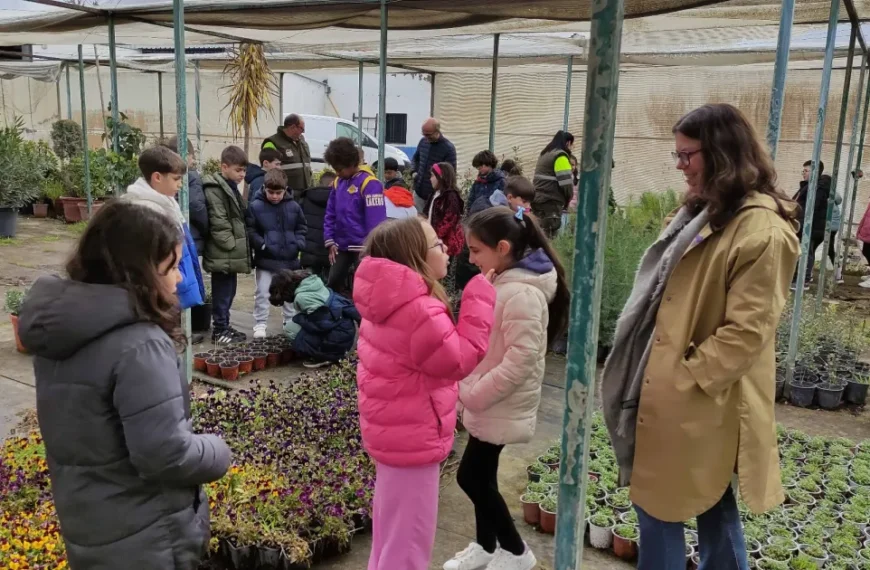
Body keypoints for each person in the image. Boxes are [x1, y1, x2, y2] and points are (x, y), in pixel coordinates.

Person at [601, 103, 800, 570]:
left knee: (660, 507)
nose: (680, 166)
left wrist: (683, 375)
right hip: (674, 387)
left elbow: (747, 332)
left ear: (722, 154)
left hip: (699, 396)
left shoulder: (762, 231)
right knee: (707, 499)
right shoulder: (709, 211)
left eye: (687, 155)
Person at [18, 200, 231, 570]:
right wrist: (217, 450)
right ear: (140, 271)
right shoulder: (140, 344)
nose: (179, 279)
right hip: (148, 536)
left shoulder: (62, 330)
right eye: (172, 267)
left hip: (90, 525)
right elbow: (165, 455)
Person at [353, 216, 497, 570]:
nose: (447, 248)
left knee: (391, 536)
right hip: (414, 439)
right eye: (436, 244)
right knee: (408, 548)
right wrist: (479, 294)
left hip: (393, 438)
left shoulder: (387, 300)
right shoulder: (417, 308)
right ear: (414, 256)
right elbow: (458, 359)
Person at [445, 206, 570, 570]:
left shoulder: (522, 294)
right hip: (488, 398)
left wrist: (474, 392)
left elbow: (522, 359)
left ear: (502, 247)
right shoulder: (503, 280)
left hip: (497, 399)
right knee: (483, 476)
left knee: (471, 477)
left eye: (476, 250)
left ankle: (517, 553)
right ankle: (487, 546)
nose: (470, 258)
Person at [122, 145, 205, 312]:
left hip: (172, 285)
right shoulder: (146, 211)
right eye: (176, 179)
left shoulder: (168, 203)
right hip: (158, 292)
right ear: (157, 177)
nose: (180, 185)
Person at [246, 168, 307, 339]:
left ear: (285, 189)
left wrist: (298, 244)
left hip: (290, 259)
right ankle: (260, 323)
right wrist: (262, 245)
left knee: (290, 291)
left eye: (278, 192)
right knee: (263, 291)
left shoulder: (294, 207)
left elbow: (301, 227)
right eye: (271, 192)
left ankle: (290, 321)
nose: (274, 196)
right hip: (266, 259)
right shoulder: (256, 206)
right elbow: (251, 229)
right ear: (264, 188)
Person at [323, 137, 387, 294]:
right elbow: (330, 214)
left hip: (363, 248)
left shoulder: (370, 184)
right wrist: (330, 240)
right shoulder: (338, 183)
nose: (337, 173)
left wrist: (371, 248)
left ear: (352, 164)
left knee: (363, 289)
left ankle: (360, 317)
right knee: (333, 282)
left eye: (340, 169)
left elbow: (376, 222)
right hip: (341, 245)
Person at [202, 145, 252, 344]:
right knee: (222, 291)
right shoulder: (215, 189)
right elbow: (219, 221)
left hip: (229, 253)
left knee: (229, 290)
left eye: (244, 170)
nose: (242, 175)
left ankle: (225, 326)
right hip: (223, 252)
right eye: (238, 170)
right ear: (224, 167)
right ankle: (220, 330)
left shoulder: (228, 187)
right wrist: (231, 244)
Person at [269, 269, 360, 368]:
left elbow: (321, 325)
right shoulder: (311, 282)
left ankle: (326, 356)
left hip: (338, 338)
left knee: (290, 328)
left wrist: (299, 319)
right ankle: (328, 351)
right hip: (346, 329)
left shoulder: (302, 297)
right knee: (297, 324)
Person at [163, 136, 209, 253]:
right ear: (186, 154)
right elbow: (196, 206)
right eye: (192, 156)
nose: (193, 160)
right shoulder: (191, 176)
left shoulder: (165, 176)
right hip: (191, 237)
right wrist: (206, 230)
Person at [792, 160, 831, 286]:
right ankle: (800, 278)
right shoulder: (808, 186)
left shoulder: (817, 188)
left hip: (812, 226)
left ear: (815, 172)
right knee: (806, 252)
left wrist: (802, 224)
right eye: (803, 170)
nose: (803, 173)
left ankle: (803, 280)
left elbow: (811, 208)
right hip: (807, 225)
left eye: (806, 171)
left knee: (806, 252)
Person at [532, 130, 575, 237]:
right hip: (551, 202)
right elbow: (566, 183)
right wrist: (569, 197)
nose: (571, 148)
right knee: (549, 234)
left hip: (537, 199)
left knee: (538, 233)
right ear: (568, 143)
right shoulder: (560, 156)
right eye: (572, 145)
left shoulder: (545, 154)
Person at [411, 118, 457, 212]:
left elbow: (450, 174)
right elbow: (415, 159)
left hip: (434, 196)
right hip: (419, 192)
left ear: (437, 131)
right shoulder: (423, 142)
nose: (426, 137)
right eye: (423, 134)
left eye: (428, 134)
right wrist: (414, 172)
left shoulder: (448, 148)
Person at [262, 113, 312, 197]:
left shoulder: (302, 142)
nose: (303, 132)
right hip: (285, 194)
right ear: (292, 127)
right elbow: (267, 169)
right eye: (301, 129)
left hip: (306, 192)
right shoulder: (272, 142)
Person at [300, 171, 336, 282]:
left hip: (309, 253)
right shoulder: (339, 199)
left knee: (309, 288)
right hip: (331, 254)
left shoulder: (305, 198)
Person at [424, 162, 465, 257]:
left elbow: (450, 220)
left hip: (447, 244)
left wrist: (435, 236)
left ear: (441, 176)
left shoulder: (451, 196)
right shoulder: (434, 195)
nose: (430, 179)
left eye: (432, 176)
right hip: (434, 241)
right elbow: (426, 213)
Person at [468, 175, 534, 216]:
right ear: (510, 198)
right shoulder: (494, 214)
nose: (529, 207)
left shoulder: (512, 210)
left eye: (530, 203)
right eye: (524, 201)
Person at [466, 150, 506, 215]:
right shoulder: (477, 182)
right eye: (477, 166)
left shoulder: (501, 181)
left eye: (480, 166)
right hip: (477, 217)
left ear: (488, 164)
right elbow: (471, 200)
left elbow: (504, 203)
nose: (478, 168)